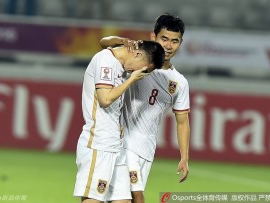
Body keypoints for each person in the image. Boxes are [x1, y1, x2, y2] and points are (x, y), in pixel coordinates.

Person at [100, 14, 190, 203]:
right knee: (136, 196)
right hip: (123, 144)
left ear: (180, 43)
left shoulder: (179, 82)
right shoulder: (138, 59)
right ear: (153, 37)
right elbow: (103, 45)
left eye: (175, 41)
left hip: (147, 150)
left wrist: (184, 157)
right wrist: (119, 41)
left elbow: (182, 122)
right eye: (164, 39)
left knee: (119, 198)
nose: (168, 46)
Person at [73, 40, 165, 203]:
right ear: (137, 54)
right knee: (93, 199)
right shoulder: (105, 62)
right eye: (143, 69)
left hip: (116, 144)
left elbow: (104, 42)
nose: (139, 73)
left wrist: (121, 41)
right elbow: (105, 99)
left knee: (124, 200)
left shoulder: (119, 63)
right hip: (99, 143)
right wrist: (132, 80)